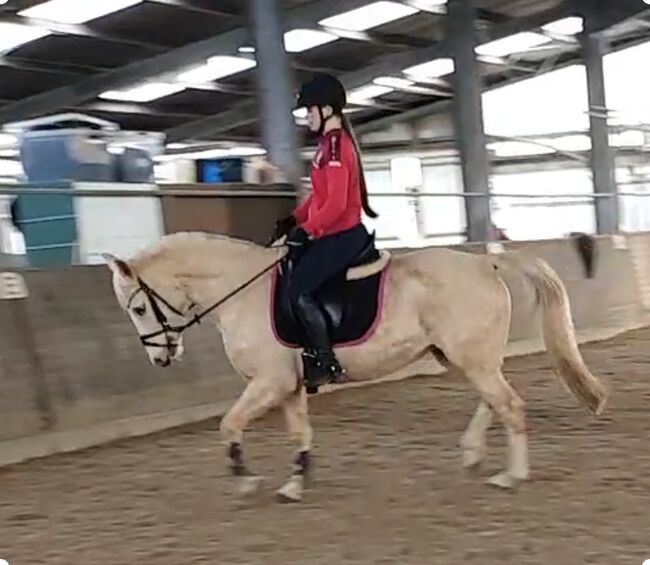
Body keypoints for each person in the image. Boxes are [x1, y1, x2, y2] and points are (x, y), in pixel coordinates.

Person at [272, 73, 379, 390]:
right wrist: (294, 219)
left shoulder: (334, 147)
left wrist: (307, 230)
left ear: (327, 110)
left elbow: (335, 205)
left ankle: (324, 359)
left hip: (343, 234)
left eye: (309, 111)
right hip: (333, 232)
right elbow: (318, 198)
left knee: (298, 289)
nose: (306, 118)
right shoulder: (326, 146)